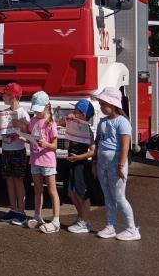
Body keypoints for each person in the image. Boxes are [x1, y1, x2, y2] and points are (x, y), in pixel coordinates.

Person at [93, 87, 140, 241]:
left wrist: (121, 166)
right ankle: (111, 225)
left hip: (116, 165)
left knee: (119, 197)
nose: (100, 106)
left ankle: (132, 229)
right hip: (102, 165)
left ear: (112, 104)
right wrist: (95, 162)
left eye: (103, 104)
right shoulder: (103, 122)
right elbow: (98, 142)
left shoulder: (122, 122)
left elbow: (125, 146)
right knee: (108, 196)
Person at [23, 91, 60, 233]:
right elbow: (31, 138)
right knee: (37, 189)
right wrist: (25, 138)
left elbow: (57, 145)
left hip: (48, 161)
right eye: (35, 110)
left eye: (40, 110)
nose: (37, 113)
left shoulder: (51, 123)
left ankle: (56, 219)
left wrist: (47, 144)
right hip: (35, 159)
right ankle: (37, 216)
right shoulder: (33, 121)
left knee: (52, 189)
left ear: (47, 107)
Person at [0, 83, 31, 225]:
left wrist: (21, 126)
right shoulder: (5, 112)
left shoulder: (23, 113)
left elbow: (30, 132)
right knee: (9, 180)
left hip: (18, 151)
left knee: (18, 180)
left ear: (13, 97)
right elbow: (0, 130)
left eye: (5, 94)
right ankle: (13, 209)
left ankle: (21, 212)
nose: (2, 96)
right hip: (6, 149)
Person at [63, 99, 96, 234]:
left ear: (82, 114)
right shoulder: (73, 124)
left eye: (75, 111)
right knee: (71, 192)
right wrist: (68, 118)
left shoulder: (87, 130)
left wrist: (79, 158)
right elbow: (60, 123)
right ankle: (81, 217)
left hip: (81, 164)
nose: (73, 112)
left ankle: (84, 221)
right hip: (71, 161)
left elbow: (93, 150)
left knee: (83, 193)